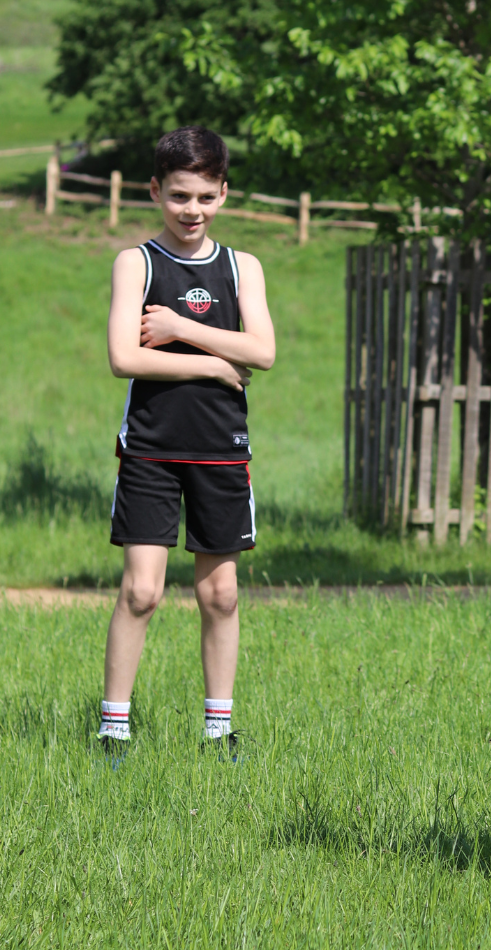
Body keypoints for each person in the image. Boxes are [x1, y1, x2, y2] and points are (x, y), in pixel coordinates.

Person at [99, 126, 275, 760]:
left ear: (223, 193)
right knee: (141, 592)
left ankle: (218, 731)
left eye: (204, 196)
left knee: (220, 595)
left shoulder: (241, 267)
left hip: (222, 449)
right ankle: (113, 729)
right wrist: (214, 363)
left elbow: (264, 352)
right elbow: (124, 358)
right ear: (155, 191)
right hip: (150, 449)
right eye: (178, 196)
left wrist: (178, 328)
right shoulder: (137, 263)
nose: (191, 209)